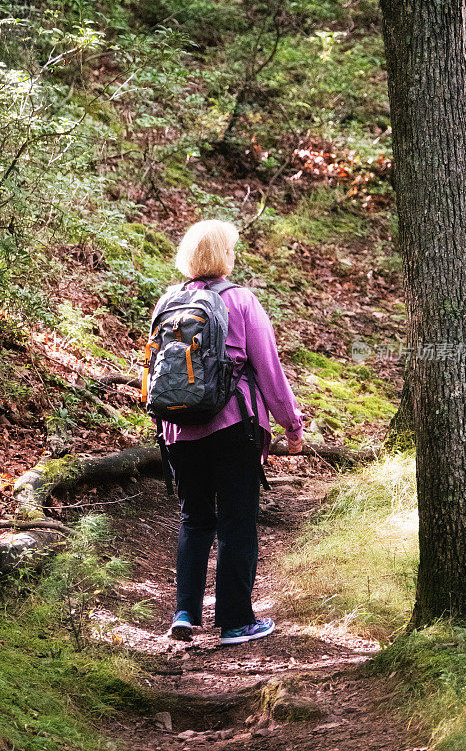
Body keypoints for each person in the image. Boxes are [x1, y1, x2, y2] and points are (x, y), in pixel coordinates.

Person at [158, 219, 304, 645]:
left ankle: (185, 612)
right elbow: (269, 370)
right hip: (234, 427)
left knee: (194, 520)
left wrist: (165, 428)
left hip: (179, 429)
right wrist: (291, 425)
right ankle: (236, 623)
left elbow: (160, 372)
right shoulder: (240, 301)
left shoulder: (169, 302)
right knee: (237, 522)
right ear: (225, 255)